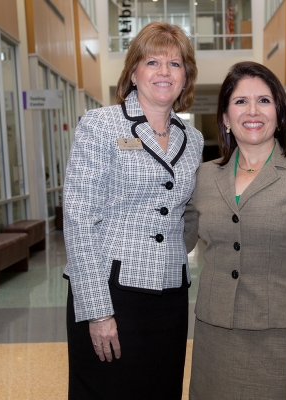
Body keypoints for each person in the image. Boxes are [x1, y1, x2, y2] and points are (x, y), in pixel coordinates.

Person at [63, 21, 203, 399]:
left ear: (186, 76)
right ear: (134, 72)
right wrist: (98, 311)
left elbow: (187, 210)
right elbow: (78, 219)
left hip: (171, 295)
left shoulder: (193, 139)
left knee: (163, 389)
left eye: (175, 64)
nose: (164, 72)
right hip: (112, 293)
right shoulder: (101, 125)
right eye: (152, 62)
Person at [184, 61, 286, 399]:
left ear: (279, 112)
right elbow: (178, 240)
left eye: (264, 101)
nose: (252, 111)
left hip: (279, 341)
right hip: (214, 335)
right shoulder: (205, 177)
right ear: (225, 117)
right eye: (240, 101)